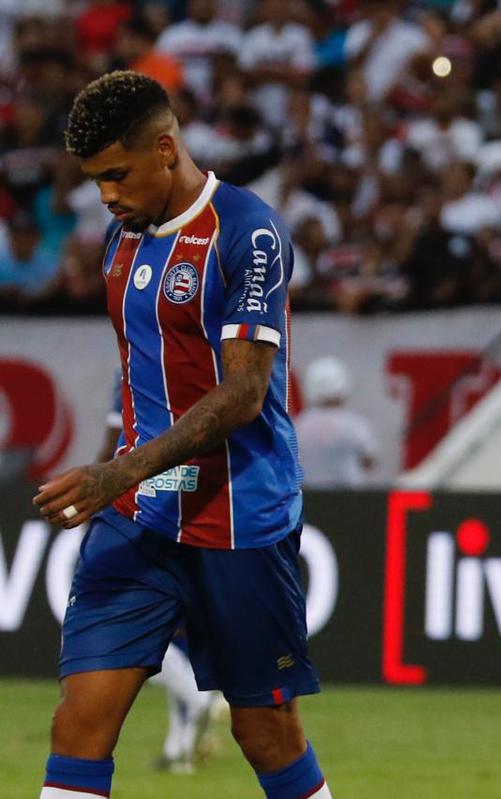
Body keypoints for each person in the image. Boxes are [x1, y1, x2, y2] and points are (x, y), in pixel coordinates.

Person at [33, 72, 331, 799]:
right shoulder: (120, 239)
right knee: (81, 720)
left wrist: (118, 470)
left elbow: (243, 393)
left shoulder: (247, 232)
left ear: (165, 149)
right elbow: (143, 369)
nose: (105, 194)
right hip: (143, 510)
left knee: (266, 733)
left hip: (238, 517)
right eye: (95, 179)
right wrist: (118, 474)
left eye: (116, 174)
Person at [97, 370, 227, 776]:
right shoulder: (213, 367)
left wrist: (95, 490)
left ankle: (201, 699)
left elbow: (112, 441)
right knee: (179, 632)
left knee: (118, 626)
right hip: (204, 510)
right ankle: (179, 748)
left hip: (149, 511)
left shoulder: (134, 369)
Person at [294, 356, 377, 489]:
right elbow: (369, 460)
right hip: (350, 499)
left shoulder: (299, 425)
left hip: (310, 499)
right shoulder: (354, 424)